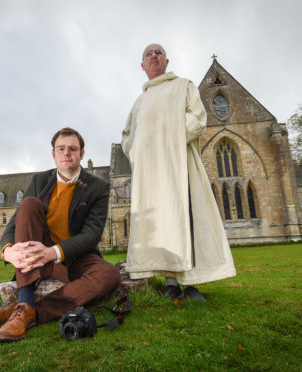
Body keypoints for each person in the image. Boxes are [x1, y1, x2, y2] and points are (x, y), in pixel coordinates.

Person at [0, 127, 121, 342]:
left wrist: (53, 252)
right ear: (54, 154)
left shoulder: (98, 188)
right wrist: (7, 251)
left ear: (82, 153)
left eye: (72, 148)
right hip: (36, 256)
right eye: (61, 149)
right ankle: (25, 302)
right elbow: (14, 225)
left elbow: (91, 235)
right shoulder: (39, 181)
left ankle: (22, 311)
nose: (66, 153)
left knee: (110, 276)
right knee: (29, 204)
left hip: (75, 257)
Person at [121, 43, 236, 301]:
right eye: (148, 54)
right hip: (150, 172)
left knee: (185, 216)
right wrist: (137, 150)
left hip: (177, 162)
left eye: (158, 52)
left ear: (166, 61)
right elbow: (128, 136)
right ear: (142, 65)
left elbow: (197, 117)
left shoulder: (183, 86)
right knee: (161, 223)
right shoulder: (139, 102)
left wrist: (167, 138)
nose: (153, 56)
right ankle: (171, 282)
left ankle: (191, 285)